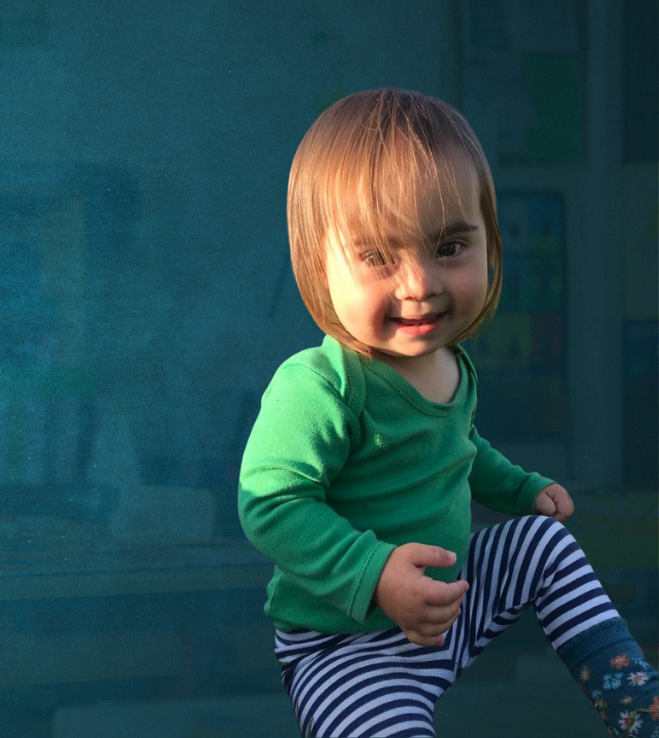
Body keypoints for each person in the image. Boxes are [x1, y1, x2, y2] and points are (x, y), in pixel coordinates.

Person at [238, 87, 657, 737]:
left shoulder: (450, 364)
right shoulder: (321, 386)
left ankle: (638, 710)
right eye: (379, 256)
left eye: (449, 247)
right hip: (345, 649)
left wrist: (519, 488)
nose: (419, 285)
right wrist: (375, 575)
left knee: (544, 543)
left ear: (490, 243)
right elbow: (271, 505)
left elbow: (460, 449)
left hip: (448, 606)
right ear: (319, 268)